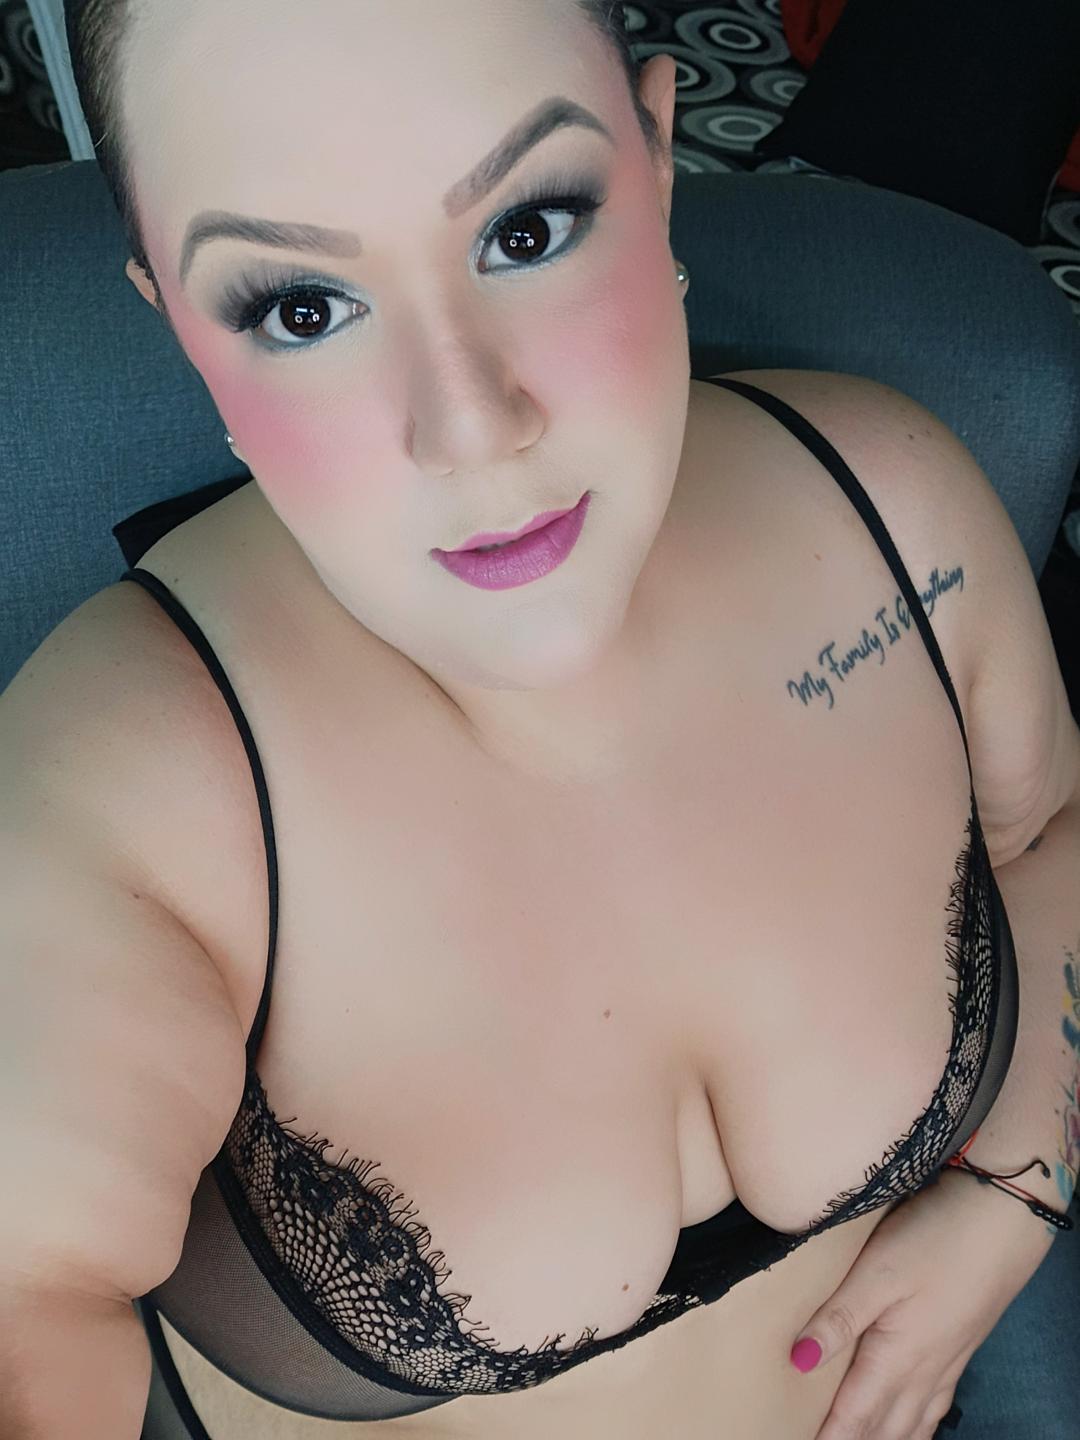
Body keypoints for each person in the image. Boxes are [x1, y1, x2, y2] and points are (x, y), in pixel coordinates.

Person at [3, 2, 1076, 1438]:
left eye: (527, 229)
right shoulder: (113, 799)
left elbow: (1049, 831)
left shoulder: (900, 515)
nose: (474, 426)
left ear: (657, 154)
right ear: (182, 330)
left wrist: (1015, 1192)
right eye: (301, 309)